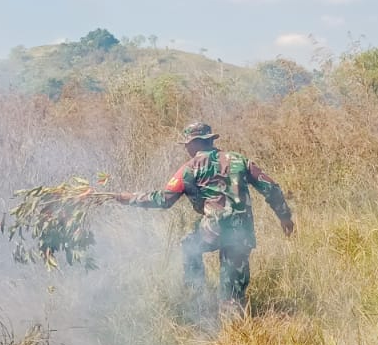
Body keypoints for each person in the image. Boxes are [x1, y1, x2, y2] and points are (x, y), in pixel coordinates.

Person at [115, 121, 294, 312]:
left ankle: (197, 297)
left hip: (213, 229)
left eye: (186, 144)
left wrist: (129, 198)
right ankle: (233, 321)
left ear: (194, 143)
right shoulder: (239, 160)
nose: (186, 148)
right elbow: (271, 187)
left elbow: (164, 199)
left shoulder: (190, 168)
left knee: (189, 245)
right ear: (210, 140)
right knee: (232, 295)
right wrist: (284, 216)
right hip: (241, 231)